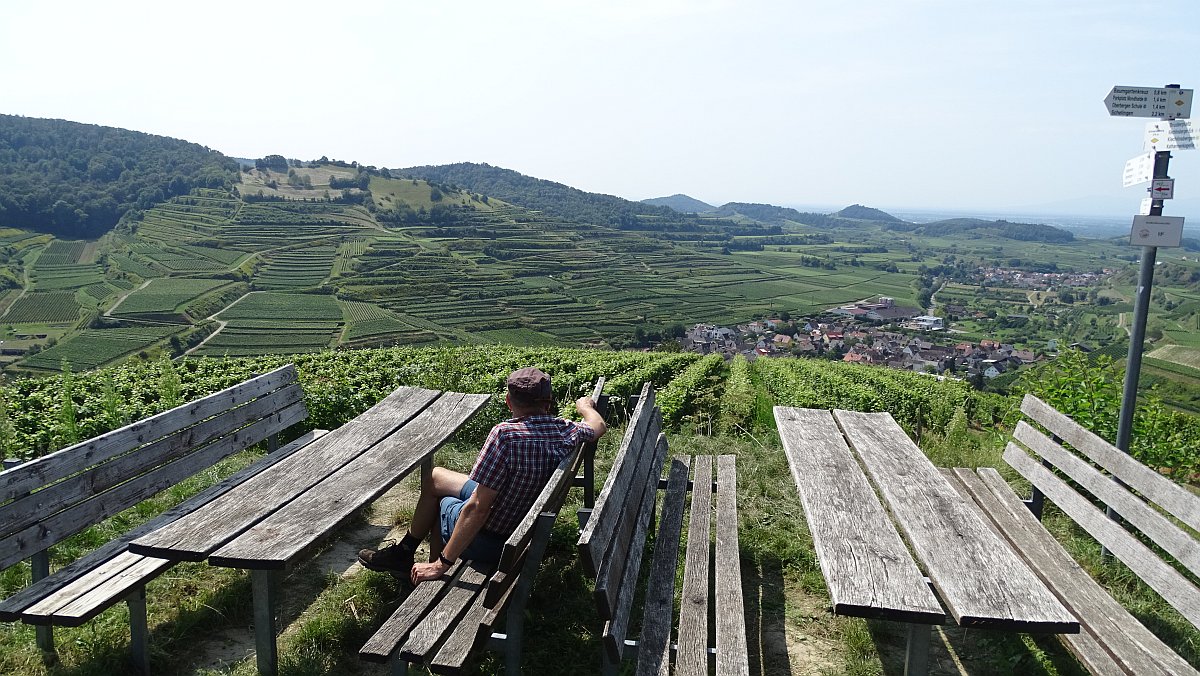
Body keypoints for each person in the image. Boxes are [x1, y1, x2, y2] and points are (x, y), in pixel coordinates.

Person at [358, 367, 607, 584]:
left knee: (444, 504)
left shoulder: (505, 435)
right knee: (435, 477)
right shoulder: (564, 430)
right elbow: (599, 426)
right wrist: (585, 407)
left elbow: (478, 507)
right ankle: (404, 552)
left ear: (509, 401)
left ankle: (426, 575)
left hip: (494, 540)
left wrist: (442, 563)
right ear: (548, 401)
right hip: (520, 515)